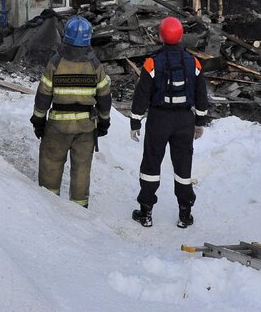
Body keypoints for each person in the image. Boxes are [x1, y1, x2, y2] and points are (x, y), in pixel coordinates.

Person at [130, 16, 209, 228]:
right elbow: (201, 94)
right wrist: (200, 121)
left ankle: (145, 212)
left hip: (159, 119)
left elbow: (142, 95)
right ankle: (185, 213)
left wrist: (135, 121)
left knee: (151, 164)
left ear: (160, 36)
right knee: (183, 167)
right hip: (185, 120)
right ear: (181, 35)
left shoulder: (152, 62)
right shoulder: (194, 62)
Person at [31, 16, 111, 208]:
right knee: (82, 170)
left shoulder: (56, 63)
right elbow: (104, 96)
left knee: (51, 166)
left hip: (57, 127)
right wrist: (104, 121)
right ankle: (79, 209)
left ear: (65, 36)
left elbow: (43, 95)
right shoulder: (95, 65)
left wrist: (39, 121)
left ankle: (50, 206)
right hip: (85, 128)